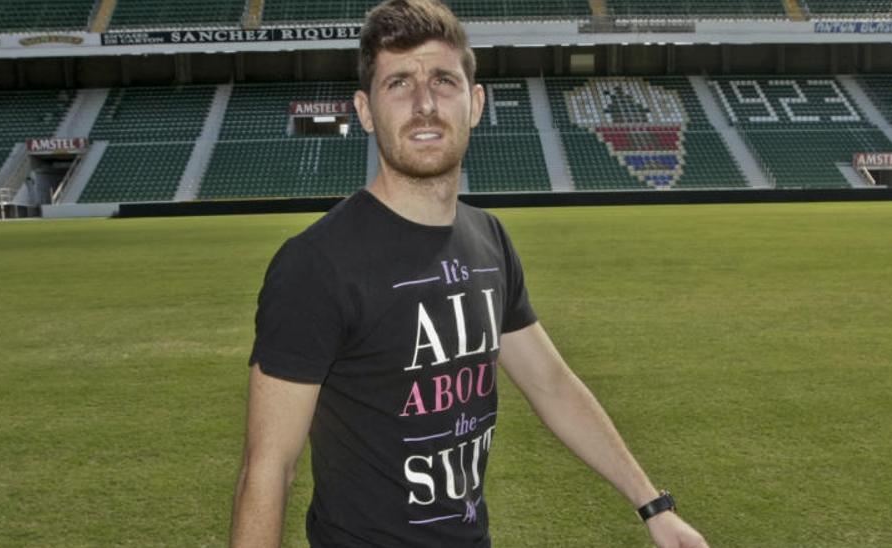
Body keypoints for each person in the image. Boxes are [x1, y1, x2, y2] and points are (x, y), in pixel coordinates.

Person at [229, 1, 709, 546]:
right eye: (399, 84)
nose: (425, 103)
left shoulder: (489, 239)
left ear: (475, 102)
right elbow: (268, 467)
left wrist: (654, 506)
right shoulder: (316, 264)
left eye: (443, 81)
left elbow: (552, 385)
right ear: (364, 111)